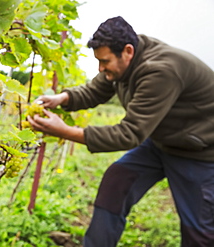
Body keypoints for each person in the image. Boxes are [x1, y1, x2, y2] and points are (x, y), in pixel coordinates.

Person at [27, 16, 214, 247]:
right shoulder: (126, 61)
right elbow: (95, 90)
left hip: (199, 152)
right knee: (116, 183)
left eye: (104, 61)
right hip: (160, 142)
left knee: (199, 230)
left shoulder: (161, 70)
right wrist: (61, 99)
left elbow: (130, 134)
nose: (100, 68)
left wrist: (65, 131)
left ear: (127, 51)